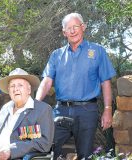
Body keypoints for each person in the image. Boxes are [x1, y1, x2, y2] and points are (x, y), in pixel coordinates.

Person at [35, 13, 116, 160]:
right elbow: (46, 81)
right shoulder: (56, 55)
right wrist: (35, 104)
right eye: (68, 28)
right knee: (47, 149)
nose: (72, 31)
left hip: (87, 111)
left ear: (83, 27)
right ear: (64, 32)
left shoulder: (97, 51)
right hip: (60, 111)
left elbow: (105, 82)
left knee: (85, 155)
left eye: (76, 26)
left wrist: (107, 110)